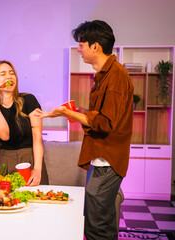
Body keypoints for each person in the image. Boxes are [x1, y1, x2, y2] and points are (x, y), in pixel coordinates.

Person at [35, 20, 134, 240]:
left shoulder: (116, 76)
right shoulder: (105, 75)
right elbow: (101, 115)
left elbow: (107, 123)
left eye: (81, 44)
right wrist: (81, 111)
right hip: (100, 158)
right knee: (100, 221)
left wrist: (69, 114)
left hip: (107, 160)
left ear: (95, 46)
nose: (79, 49)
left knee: (96, 226)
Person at [0, 60, 48, 186]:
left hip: (31, 159)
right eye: (3, 74)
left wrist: (37, 169)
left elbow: (37, 137)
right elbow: (4, 135)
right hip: (6, 161)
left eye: (12, 73)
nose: (9, 76)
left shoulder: (29, 100)